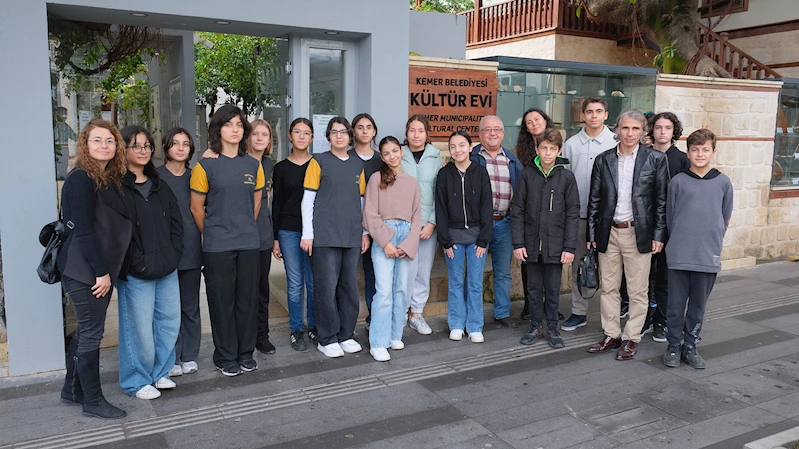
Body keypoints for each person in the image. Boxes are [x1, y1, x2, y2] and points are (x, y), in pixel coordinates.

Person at [58, 119, 133, 419]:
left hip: (91, 267)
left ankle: (71, 390)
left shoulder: (104, 177)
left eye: (110, 140)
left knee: (86, 330)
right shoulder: (81, 178)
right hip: (85, 269)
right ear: (85, 145)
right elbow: (84, 230)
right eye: (97, 140)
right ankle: (92, 400)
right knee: (91, 332)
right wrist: (102, 272)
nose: (104, 145)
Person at [586, 109, 668, 361]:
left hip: (638, 232)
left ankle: (632, 337)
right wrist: (591, 232)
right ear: (617, 130)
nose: (630, 133)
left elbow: (662, 200)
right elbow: (594, 199)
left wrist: (658, 234)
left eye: (635, 128)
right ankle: (611, 334)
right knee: (609, 287)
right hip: (608, 231)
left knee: (637, 290)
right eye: (625, 128)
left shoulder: (655, 159)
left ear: (643, 131)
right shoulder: (603, 160)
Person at [190, 105, 265, 376]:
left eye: (239, 125)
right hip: (217, 245)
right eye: (228, 124)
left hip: (248, 243)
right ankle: (225, 355)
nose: (235, 130)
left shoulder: (253, 165)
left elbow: (255, 205)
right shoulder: (205, 165)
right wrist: (214, 231)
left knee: (247, 300)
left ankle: (245, 353)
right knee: (222, 302)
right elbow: (196, 208)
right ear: (218, 129)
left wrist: (241, 227)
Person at [117, 125, 183, 400]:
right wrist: (135, 262)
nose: (143, 151)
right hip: (136, 271)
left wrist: (173, 254)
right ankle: (136, 380)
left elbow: (176, 224)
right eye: (136, 146)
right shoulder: (117, 187)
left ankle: (160, 372)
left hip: (166, 267)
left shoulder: (159, 185)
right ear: (123, 150)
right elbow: (117, 233)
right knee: (138, 329)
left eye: (146, 146)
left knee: (169, 321)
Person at [662, 129, 732, 369]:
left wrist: (712, 243)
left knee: (697, 307)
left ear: (713, 152)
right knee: (675, 306)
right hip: (679, 255)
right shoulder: (678, 182)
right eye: (695, 149)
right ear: (688, 152)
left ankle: (690, 345)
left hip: (706, 256)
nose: (700, 154)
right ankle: (673, 345)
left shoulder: (723, 183)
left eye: (705, 150)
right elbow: (670, 218)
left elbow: (724, 218)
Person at [301, 116, 369, 358]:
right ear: (328, 136)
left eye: (343, 132)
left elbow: (361, 201)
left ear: (350, 136)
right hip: (325, 235)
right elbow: (308, 199)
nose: (339, 136)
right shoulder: (318, 161)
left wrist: (364, 232)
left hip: (351, 235)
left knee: (348, 287)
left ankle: (346, 334)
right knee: (326, 288)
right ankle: (327, 337)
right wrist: (308, 234)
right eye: (334, 132)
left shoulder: (357, 165)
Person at [512, 129, 579, 348]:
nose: (547, 153)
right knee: (532, 288)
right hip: (531, 243)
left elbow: (572, 213)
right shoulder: (527, 175)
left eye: (552, 149)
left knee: (552, 288)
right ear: (537, 149)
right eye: (543, 148)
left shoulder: (566, 177)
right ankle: (534, 325)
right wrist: (518, 243)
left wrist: (569, 247)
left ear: (559, 151)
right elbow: (518, 210)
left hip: (556, 244)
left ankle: (552, 327)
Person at [560, 97, 618, 331]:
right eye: (590, 112)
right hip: (580, 216)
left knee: (611, 269)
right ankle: (578, 311)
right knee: (580, 266)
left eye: (599, 111)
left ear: (606, 115)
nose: (594, 116)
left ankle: (611, 317)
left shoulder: (615, 142)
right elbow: (563, 179)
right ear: (582, 115)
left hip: (609, 218)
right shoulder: (571, 145)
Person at [362, 136, 421, 361]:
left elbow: (417, 217)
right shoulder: (376, 179)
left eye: (395, 151)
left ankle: (395, 334)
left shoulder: (411, 182)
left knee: (402, 290)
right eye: (386, 153)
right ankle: (378, 342)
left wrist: (407, 244)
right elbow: (369, 214)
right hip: (384, 235)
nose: (392, 156)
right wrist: (385, 242)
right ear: (383, 157)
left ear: (402, 151)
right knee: (384, 291)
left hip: (406, 234)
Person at [437, 131, 493, 343]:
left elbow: (487, 206)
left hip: (477, 239)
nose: (457, 150)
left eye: (462, 145)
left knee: (475, 283)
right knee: (455, 282)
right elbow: (440, 208)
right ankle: (456, 324)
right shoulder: (444, 174)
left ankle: (475, 325)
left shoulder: (480, 172)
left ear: (471, 147)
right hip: (453, 239)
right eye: (453, 146)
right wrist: (445, 240)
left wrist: (484, 238)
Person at [641, 112, 690, 342]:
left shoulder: (681, 160)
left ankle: (661, 320)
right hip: (644, 224)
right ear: (652, 130)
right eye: (658, 127)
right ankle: (642, 318)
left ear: (674, 131)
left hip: (671, 228)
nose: (662, 132)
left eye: (667, 128)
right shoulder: (643, 156)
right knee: (642, 277)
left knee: (664, 277)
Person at [471, 115, 523, 328]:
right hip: (478, 225)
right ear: (480, 134)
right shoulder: (472, 157)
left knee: (503, 272)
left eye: (497, 129)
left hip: (504, 222)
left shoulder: (512, 160)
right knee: (474, 273)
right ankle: (473, 316)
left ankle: (502, 312)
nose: (492, 133)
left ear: (502, 133)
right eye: (487, 129)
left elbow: (521, 191)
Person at [158, 128, 202, 378]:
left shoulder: (196, 176)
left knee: (190, 305)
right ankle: (172, 356)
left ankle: (189, 355)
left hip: (192, 248)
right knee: (167, 308)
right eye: (175, 143)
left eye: (186, 144)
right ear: (166, 147)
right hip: (165, 251)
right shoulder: (156, 176)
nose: (181, 148)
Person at [272, 118, 316, 351]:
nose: (301, 136)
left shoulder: (318, 164)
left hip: (314, 232)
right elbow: (276, 204)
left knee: (313, 282)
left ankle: (314, 326)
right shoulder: (281, 168)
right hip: (288, 231)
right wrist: (275, 238)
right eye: (297, 132)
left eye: (306, 133)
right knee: (295, 282)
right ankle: (296, 329)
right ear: (289, 136)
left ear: (312, 138)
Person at [401, 114, 443, 336]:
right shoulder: (399, 155)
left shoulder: (437, 158)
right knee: (404, 272)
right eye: (412, 130)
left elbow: (440, 194)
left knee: (422, 272)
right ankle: (401, 314)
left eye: (420, 131)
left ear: (427, 134)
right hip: (404, 226)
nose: (416, 135)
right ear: (406, 133)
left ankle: (416, 314)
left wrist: (432, 223)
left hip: (427, 225)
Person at [514, 108, 555, 322]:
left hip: (551, 211)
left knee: (550, 263)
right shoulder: (521, 151)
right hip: (529, 211)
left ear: (545, 121)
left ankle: (550, 306)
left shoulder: (557, 144)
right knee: (528, 262)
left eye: (536, 119)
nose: (533, 124)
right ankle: (530, 304)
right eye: (529, 122)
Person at [350, 113, 382, 330]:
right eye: (360, 127)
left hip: (376, 226)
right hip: (350, 225)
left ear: (374, 131)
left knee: (373, 274)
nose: (364, 131)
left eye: (368, 127)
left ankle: (373, 319)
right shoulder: (347, 157)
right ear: (353, 131)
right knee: (347, 275)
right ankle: (347, 322)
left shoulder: (381, 159)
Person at [251, 119, 277, 355]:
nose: (260, 138)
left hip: (263, 235)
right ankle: (244, 337)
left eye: (264, 134)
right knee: (243, 290)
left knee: (262, 289)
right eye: (255, 133)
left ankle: (262, 335)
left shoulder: (269, 165)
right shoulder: (238, 162)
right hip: (241, 235)